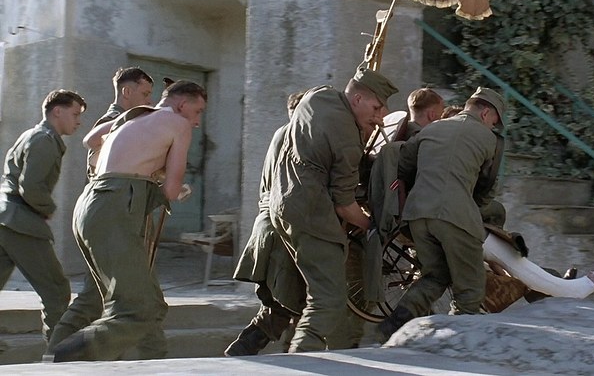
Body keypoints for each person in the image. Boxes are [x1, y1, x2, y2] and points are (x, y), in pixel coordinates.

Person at [50, 81, 207, 362]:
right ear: (183, 105)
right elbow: (172, 191)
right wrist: (170, 184)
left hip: (89, 204)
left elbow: (91, 140)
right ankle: (64, 357)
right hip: (115, 210)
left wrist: (141, 161)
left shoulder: (131, 116)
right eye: (197, 112)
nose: (196, 122)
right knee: (136, 308)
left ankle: (151, 362)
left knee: (147, 303)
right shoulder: (178, 124)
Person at [269, 68, 398, 353]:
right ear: (358, 99)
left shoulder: (318, 95)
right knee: (329, 298)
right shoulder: (348, 139)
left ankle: (303, 349)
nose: (380, 117)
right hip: (312, 215)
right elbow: (345, 205)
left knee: (313, 291)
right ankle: (300, 358)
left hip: (283, 206)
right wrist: (373, 226)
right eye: (376, 108)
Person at [378, 87, 504, 340]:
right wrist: (472, 209)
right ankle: (457, 341)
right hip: (456, 216)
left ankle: (392, 325)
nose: (493, 126)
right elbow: (486, 188)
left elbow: (404, 165)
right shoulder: (491, 140)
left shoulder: (432, 128)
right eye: (494, 121)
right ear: (485, 113)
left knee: (436, 276)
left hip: (417, 215)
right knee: (470, 289)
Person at [47, 67, 155, 354]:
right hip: (110, 223)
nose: (149, 101)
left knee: (135, 299)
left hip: (119, 222)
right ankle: (54, 356)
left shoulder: (129, 123)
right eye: (145, 94)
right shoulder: (114, 124)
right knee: (95, 299)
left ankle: (148, 359)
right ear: (127, 91)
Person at [0, 90, 86, 343]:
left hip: (6, 217)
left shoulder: (31, 135)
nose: (78, 121)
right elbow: (31, 187)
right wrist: (47, 208)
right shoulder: (45, 140)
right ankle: (57, 354)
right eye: (75, 114)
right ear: (57, 111)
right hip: (21, 222)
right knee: (56, 290)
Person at [225, 90, 306, 356]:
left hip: (269, 228)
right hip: (283, 231)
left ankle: (287, 353)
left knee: (290, 301)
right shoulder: (297, 135)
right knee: (288, 301)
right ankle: (249, 349)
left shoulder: (281, 134)